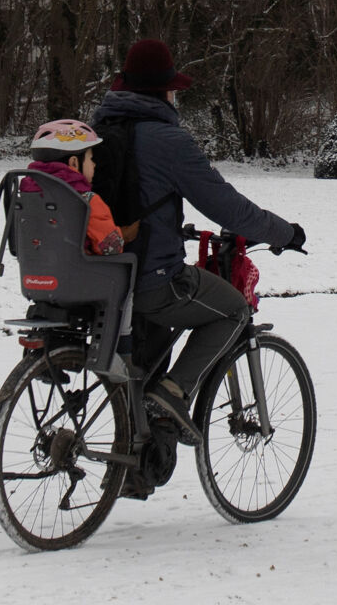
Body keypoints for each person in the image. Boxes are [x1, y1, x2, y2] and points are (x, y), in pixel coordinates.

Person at [90, 39, 306, 444]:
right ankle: (172, 394)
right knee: (234, 310)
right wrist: (285, 232)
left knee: (145, 355)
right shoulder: (169, 142)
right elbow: (229, 209)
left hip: (103, 280)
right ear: (163, 92)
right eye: (173, 88)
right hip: (152, 282)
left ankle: (136, 456)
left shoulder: (98, 130)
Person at [23, 120, 125, 256]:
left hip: (35, 271)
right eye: (91, 159)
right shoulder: (86, 200)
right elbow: (112, 247)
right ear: (74, 162)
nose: (94, 165)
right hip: (81, 273)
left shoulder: (25, 195)